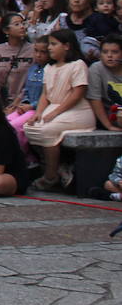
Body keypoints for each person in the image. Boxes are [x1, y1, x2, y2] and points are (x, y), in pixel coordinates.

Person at [23, 29, 94, 191]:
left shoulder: (78, 65)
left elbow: (77, 94)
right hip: (53, 108)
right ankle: (59, 165)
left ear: (67, 46)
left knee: (46, 130)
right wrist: (39, 113)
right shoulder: (49, 67)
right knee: (30, 127)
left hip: (77, 110)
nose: (50, 48)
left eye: (54, 44)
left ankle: (50, 176)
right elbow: (45, 95)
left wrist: (55, 113)